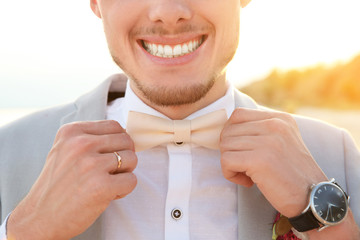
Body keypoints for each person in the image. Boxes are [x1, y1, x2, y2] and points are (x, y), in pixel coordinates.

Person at [0, 0, 359, 239]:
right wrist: (25, 232)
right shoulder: (8, 152)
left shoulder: (336, 154)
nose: (168, 12)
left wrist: (323, 218)